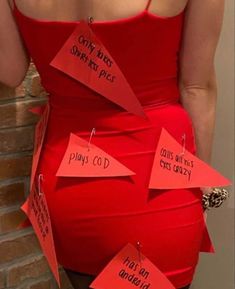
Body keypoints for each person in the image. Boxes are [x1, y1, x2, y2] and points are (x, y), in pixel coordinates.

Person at [0, 0, 225, 288]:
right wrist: (204, 191)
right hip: (156, 190)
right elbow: (197, 88)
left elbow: (10, 71)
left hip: (67, 188)